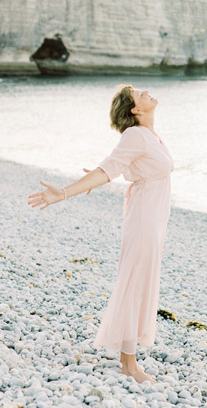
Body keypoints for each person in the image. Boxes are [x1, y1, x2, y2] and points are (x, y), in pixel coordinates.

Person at [27, 84, 174, 384]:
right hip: (144, 219)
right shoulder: (135, 135)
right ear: (135, 110)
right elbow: (109, 168)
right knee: (134, 285)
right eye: (139, 94)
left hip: (154, 219)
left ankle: (128, 360)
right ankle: (129, 366)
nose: (146, 92)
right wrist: (65, 192)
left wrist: (93, 179)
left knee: (141, 283)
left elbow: (115, 168)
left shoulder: (149, 136)